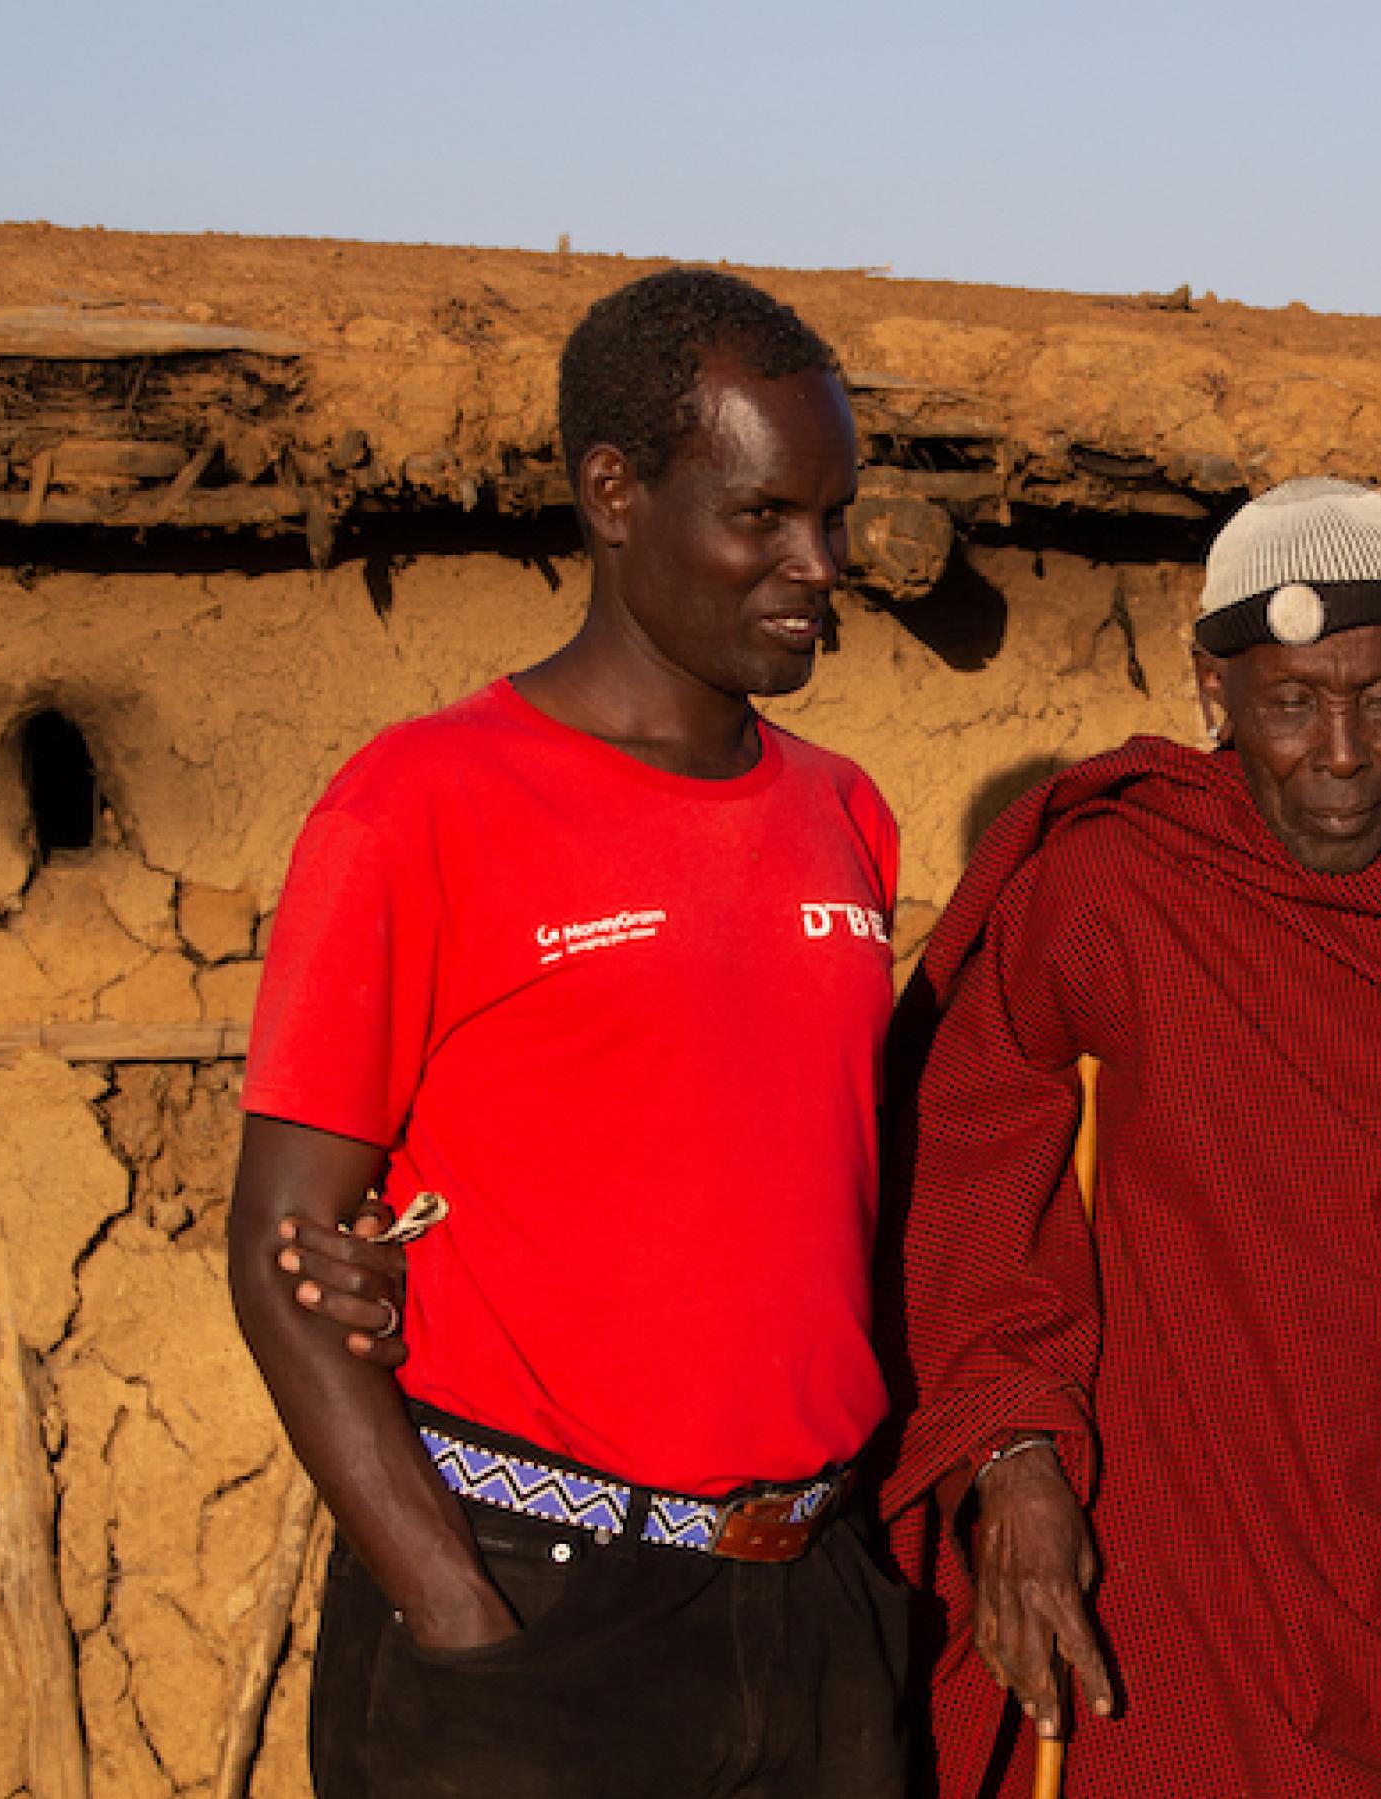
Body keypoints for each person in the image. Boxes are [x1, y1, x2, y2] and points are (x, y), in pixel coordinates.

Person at [885, 478, 1381, 1797]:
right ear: (1215, 691)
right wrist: (1011, 1452)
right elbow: (965, 1175)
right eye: (1291, 705)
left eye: (1380, 700)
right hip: (1185, 1563)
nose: (1341, 752)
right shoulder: (1120, 884)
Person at [226, 266, 909, 1799]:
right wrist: (460, 1621)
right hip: (536, 1613)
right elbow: (280, 1247)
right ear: (613, 493)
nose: (819, 563)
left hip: (814, 1602)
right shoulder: (425, 805)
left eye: (836, 514)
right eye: (764, 516)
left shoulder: (843, 815)